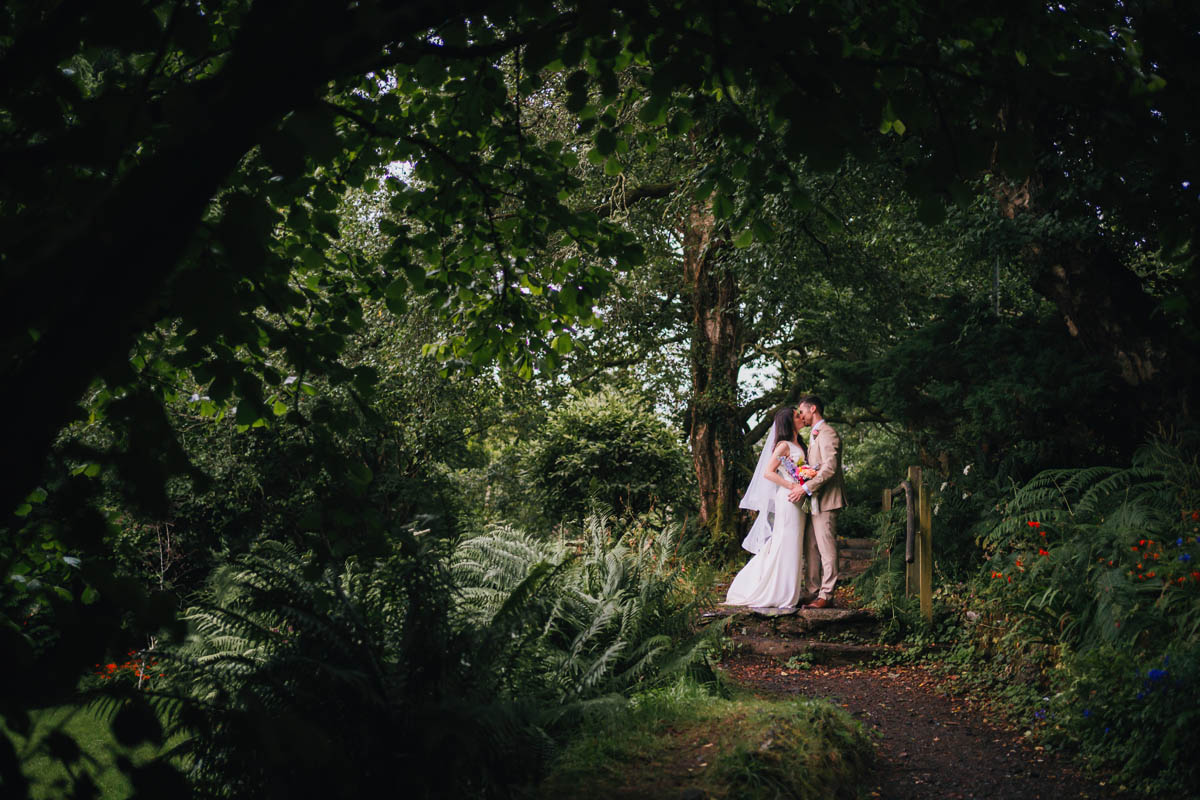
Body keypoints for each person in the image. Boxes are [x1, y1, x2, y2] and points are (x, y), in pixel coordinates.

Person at [725, 407, 808, 609]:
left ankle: (789, 591)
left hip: (799, 499)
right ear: (789, 421)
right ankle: (777, 592)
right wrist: (792, 485)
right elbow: (768, 473)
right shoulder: (783, 445)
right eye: (797, 415)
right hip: (788, 498)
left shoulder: (800, 443)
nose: (801, 417)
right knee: (785, 541)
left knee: (794, 542)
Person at [791, 395, 845, 609]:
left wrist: (805, 487)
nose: (800, 416)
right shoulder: (813, 435)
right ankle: (812, 591)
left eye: (802, 412)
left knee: (826, 548)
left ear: (813, 409)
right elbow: (815, 466)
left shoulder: (828, 433)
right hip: (814, 501)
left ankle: (827, 594)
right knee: (811, 547)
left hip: (827, 499)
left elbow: (830, 468)